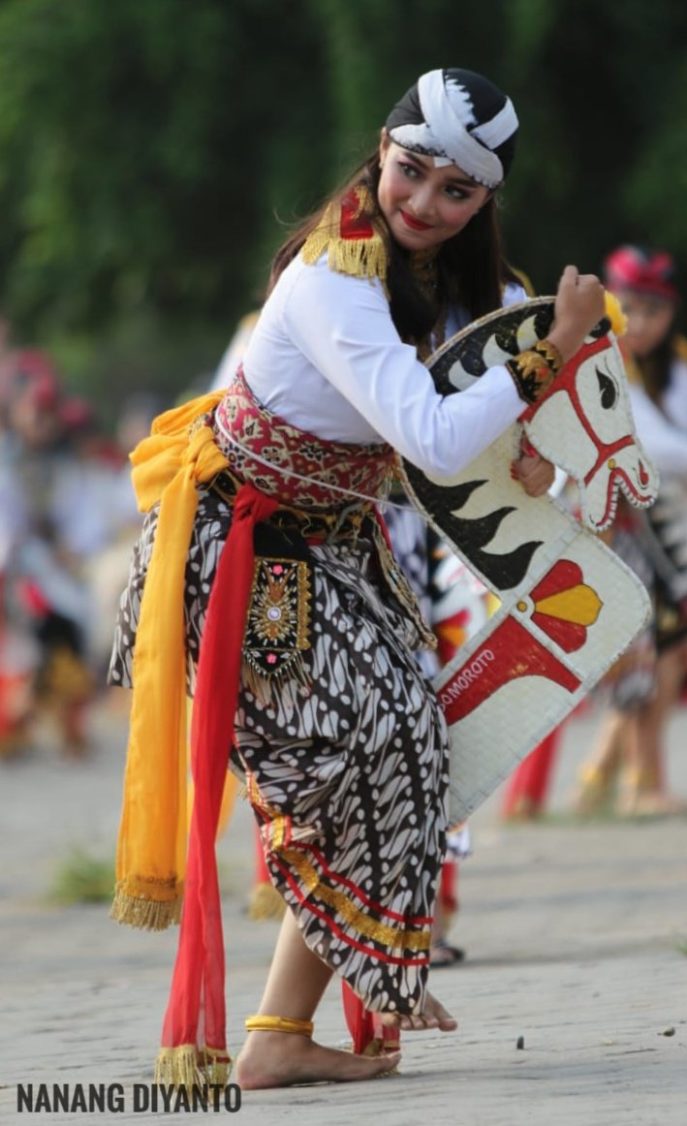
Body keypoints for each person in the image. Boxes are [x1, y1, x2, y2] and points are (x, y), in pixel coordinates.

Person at [109, 67, 605, 1090]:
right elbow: (427, 433)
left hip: (334, 543)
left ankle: (284, 1030)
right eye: (410, 170)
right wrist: (552, 352)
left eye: (454, 191)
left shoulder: (472, 292)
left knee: (415, 737)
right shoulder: (333, 278)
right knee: (361, 747)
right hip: (242, 548)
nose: (422, 202)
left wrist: (534, 442)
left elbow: (502, 413)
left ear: (483, 202)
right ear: (382, 149)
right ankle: (352, 982)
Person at [574, 245, 687, 816]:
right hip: (610, 525)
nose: (642, 322)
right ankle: (635, 782)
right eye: (631, 307)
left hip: (667, 524)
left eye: (655, 309)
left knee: (665, 647)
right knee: (647, 648)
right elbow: (657, 448)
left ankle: (615, 776)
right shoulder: (599, 356)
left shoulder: (680, 362)